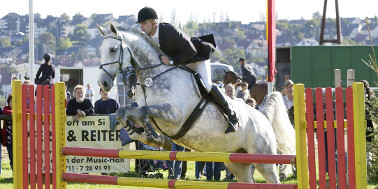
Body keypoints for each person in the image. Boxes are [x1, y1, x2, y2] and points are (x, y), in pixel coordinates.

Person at [137, 6, 238, 133]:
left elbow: (191, 51)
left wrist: (172, 61)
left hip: (197, 57)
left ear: (153, 21)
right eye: (140, 24)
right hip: (182, 62)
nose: (142, 27)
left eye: (144, 23)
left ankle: (233, 116)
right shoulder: (149, 37)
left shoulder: (167, 29)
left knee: (206, 85)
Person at [2, 94, 13, 171]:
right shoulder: (6, 108)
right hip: (9, 138)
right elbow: (5, 111)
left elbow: (27, 111)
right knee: (11, 156)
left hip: (20, 137)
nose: (13, 103)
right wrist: (12, 112)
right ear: (9, 102)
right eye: (11, 101)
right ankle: (14, 173)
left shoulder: (22, 108)